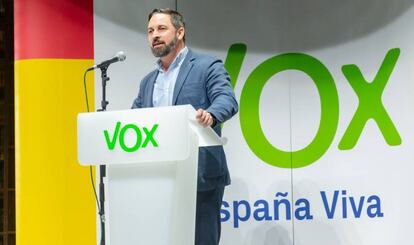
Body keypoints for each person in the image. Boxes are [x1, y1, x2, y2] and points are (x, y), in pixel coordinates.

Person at [131, 8, 238, 245]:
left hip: (200, 175)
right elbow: (133, 121)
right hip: (160, 178)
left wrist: (211, 114)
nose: (154, 35)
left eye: (161, 29)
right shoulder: (148, 81)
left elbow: (227, 99)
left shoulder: (206, 66)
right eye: (150, 31)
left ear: (180, 32)